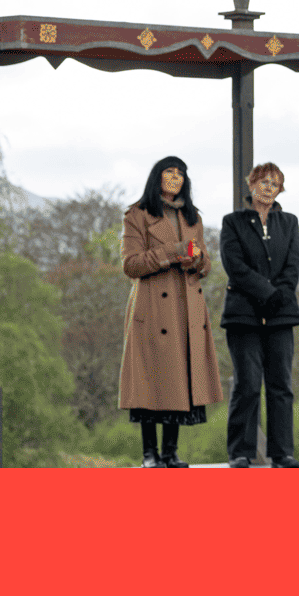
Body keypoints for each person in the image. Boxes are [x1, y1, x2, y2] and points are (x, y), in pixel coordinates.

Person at [117, 155, 224, 467]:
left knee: (181, 378)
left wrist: (198, 259)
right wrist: (173, 252)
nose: (175, 178)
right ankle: (149, 453)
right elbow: (130, 265)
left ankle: (170, 452)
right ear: (157, 177)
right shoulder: (137, 215)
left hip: (186, 308)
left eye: (180, 174)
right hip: (152, 308)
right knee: (151, 380)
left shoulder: (193, 218)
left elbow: (206, 265)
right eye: (170, 172)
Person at [219, 162, 299, 468]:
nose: (268, 188)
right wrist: (266, 293)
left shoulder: (290, 223)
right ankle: (240, 451)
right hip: (244, 316)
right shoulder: (233, 222)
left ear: (280, 190)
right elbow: (235, 265)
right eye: (263, 182)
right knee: (248, 383)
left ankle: (283, 453)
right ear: (251, 184)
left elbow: (292, 266)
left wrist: (277, 295)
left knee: (281, 384)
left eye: (275, 184)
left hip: (281, 315)